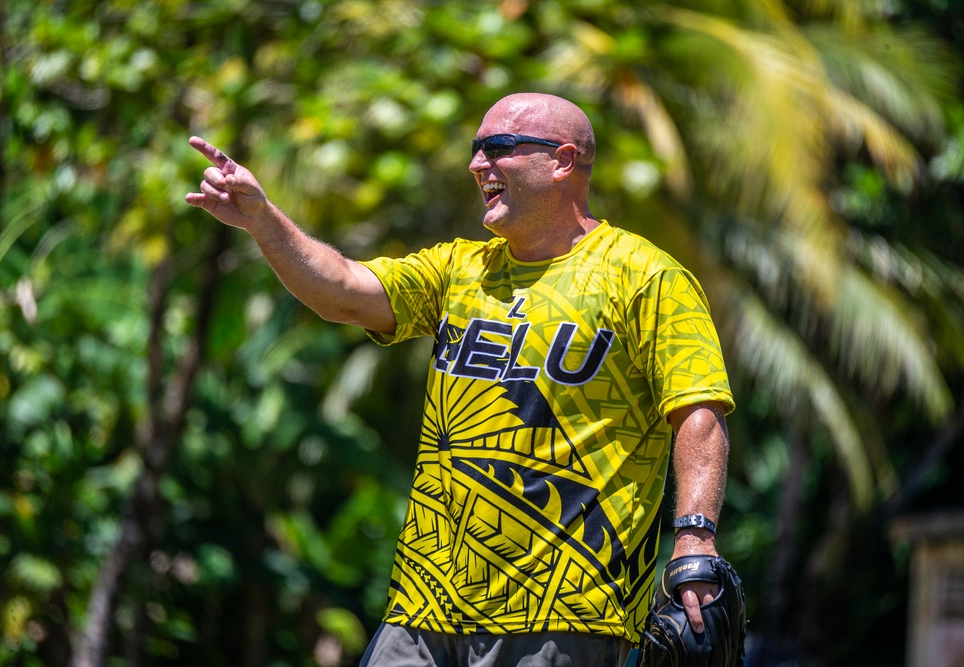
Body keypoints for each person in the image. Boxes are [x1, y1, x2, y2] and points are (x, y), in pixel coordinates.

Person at [186, 92, 734, 667]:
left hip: (565, 609)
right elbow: (343, 292)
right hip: (424, 604)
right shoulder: (460, 269)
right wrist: (262, 221)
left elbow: (698, 412)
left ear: (563, 161)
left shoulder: (645, 277)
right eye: (475, 150)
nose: (477, 165)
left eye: (497, 148)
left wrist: (694, 537)